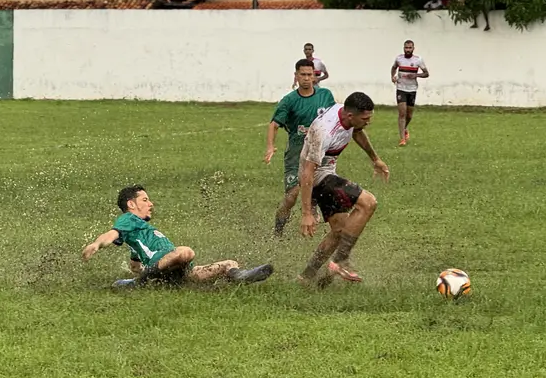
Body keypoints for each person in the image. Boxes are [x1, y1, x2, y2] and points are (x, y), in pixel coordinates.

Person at [82, 185, 275, 288]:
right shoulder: (128, 219)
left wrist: (137, 271)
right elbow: (112, 233)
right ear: (131, 204)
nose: (151, 204)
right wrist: (97, 244)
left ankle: (240, 276)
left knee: (228, 263)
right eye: (145, 199)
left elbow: (134, 264)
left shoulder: (139, 231)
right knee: (186, 251)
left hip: (180, 271)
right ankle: (139, 283)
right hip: (169, 266)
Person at [296, 92, 390, 286]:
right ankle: (341, 261)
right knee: (368, 203)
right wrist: (306, 212)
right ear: (350, 116)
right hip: (316, 178)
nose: (368, 123)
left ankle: (305, 277)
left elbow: (356, 131)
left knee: (340, 230)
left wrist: (375, 159)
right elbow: (307, 172)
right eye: (365, 119)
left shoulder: (348, 116)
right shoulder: (324, 131)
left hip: (326, 174)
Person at [266, 59, 336, 236]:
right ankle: (278, 232)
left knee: (322, 188)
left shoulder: (325, 96)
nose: (306, 78)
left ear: (314, 77)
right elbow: (274, 124)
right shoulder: (289, 101)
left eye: (309, 75)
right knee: (291, 197)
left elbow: (334, 120)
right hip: (296, 154)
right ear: (296, 76)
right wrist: (270, 146)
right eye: (302, 75)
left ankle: (322, 220)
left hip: (319, 153)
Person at [390, 40, 429, 146]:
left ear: (413, 48)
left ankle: (405, 128)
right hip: (401, 88)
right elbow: (393, 68)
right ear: (403, 48)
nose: (407, 50)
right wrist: (393, 77)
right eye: (406, 48)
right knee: (402, 113)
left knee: (409, 115)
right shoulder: (399, 58)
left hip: (412, 89)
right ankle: (402, 139)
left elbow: (426, 74)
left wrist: (416, 75)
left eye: (410, 48)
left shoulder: (418, 60)